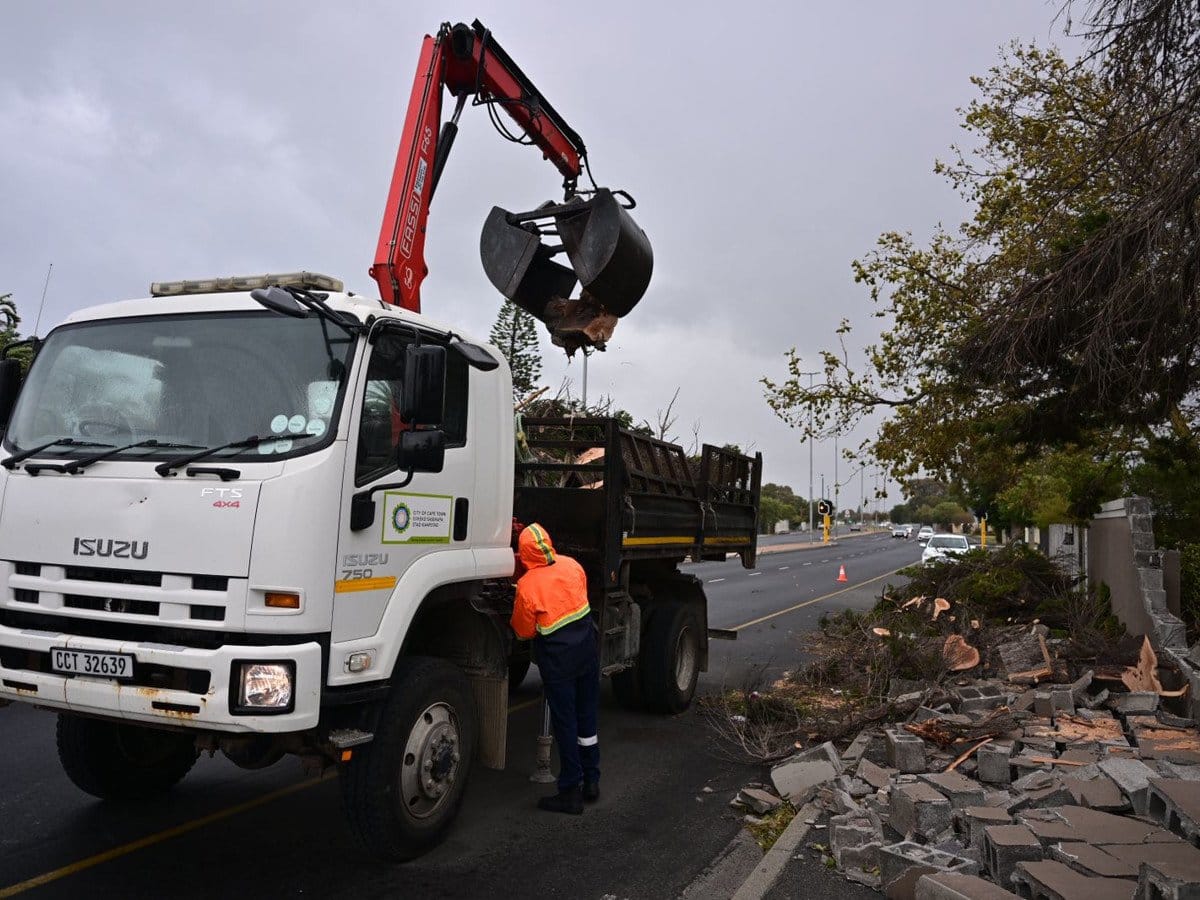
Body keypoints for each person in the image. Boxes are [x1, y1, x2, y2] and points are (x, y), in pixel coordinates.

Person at [510, 522, 600, 815]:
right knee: (587, 720)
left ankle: (570, 792)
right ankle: (591, 782)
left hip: (560, 662)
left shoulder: (527, 585)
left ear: (523, 555)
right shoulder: (572, 565)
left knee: (566, 723)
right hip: (587, 652)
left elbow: (523, 632)